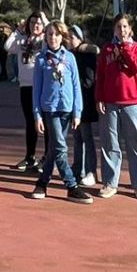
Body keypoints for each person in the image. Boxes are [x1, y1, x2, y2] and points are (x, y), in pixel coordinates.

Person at [28, 23, 90, 203]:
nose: (52, 38)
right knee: (61, 148)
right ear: (45, 37)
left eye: (56, 35)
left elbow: (77, 86)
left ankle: (42, 182)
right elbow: (36, 89)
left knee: (55, 148)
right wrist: (37, 115)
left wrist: (78, 111)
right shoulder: (41, 60)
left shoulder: (69, 57)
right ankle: (71, 186)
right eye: (49, 35)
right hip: (50, 109)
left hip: (67, 108)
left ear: (62, 36)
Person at [94, 14, 137, 199]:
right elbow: (100, 76)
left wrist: (126, 47)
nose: (122, 30)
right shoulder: (107, 49)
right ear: (114, 30)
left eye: (125, 27)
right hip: (110, 102)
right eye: (119, 27)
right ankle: (110, 183)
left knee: (135, 143)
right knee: (110, 143)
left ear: (131, 29)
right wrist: (99, 98)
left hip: (131, 102)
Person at [4, 12, 47, 170]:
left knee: (45, 123)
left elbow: (54, 34)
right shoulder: (22, 39)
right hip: (26, 86)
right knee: (30, 122)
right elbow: (7, 46)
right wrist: (19, 29)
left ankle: (47, 158)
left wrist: (45, 20)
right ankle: (30, 157)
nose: (35, 25)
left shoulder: (45, 40)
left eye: (39, 23)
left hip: (42, 86)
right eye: (32, 22)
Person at [68, 24, 101, 186]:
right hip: (73, 103)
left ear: (80, 39)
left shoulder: (87, 55)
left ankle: (91, 171)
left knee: (87, 137)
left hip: (85, 103)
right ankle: (77, 168)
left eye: (72, 37)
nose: (69, 40)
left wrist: (73, 84)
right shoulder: (69, 54)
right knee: (77, 137)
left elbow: (89, 81)